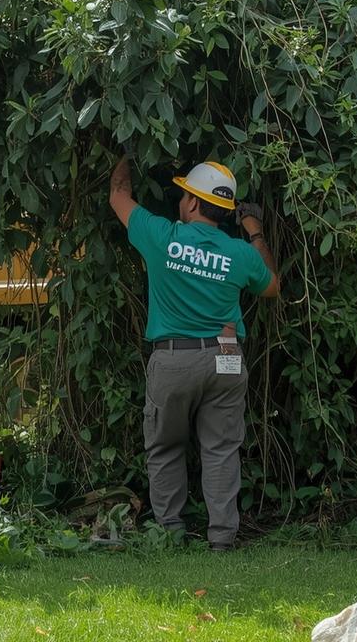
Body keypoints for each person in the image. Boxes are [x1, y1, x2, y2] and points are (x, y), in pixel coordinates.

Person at [108, 155, 280, 551]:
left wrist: (127, 153)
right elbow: (272, 286)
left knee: (166, 446)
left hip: (174, 359)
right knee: (221, 450)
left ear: (191, 202)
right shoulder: (240, 253)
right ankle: (222, 540)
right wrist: (254, 233)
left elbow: (119, 195)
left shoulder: (163, 237)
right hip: (226, 358)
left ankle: (170, 533)